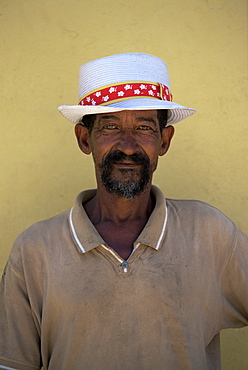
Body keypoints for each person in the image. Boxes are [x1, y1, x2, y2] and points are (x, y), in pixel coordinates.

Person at [0, 53, 247, 370]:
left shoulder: (210, 234)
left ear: (164, 140)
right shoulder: (34, 250)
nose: (128, 145)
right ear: (84, 138)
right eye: (110, 126)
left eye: (144, 127)